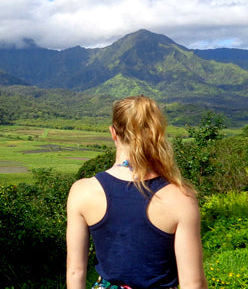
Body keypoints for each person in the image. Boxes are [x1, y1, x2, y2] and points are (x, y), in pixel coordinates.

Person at [66, 96, 208, 289]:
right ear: (157, 132)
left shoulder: (82, 191)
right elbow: (194, 283)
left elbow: (75, 272)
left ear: (113, 132)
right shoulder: (181, 198)